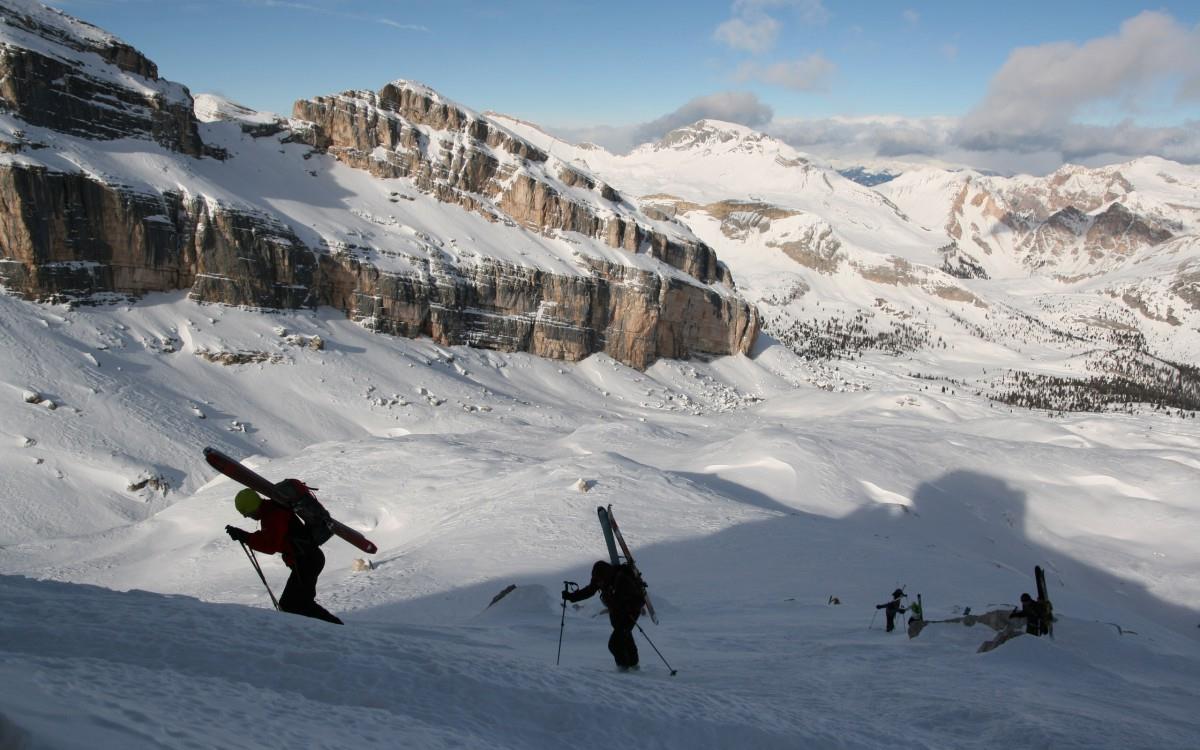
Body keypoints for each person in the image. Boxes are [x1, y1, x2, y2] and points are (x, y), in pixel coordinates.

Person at [225, 488, 343, 625]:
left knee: (291, 604)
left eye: (248, 514)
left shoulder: (273, 514)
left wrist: (245, 536)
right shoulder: (271, 510)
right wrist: (244, 536)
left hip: (306, 560)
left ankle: (336, 629)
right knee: (299, 603)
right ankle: (329, 629)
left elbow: (270, 545)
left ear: (253, 508)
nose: (248, 517)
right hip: (307, 559)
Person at [563, 560, 646, 670]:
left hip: (630, 613)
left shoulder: (622, 580)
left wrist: (625, 608)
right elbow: (589, 590)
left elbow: (637, 600)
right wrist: (571, 597)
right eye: (597, 581)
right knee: (625, 638)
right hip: (616, 613)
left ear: (606, 576)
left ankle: (623, 670)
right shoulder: (599, 578)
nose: (599, 584)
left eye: (600, 581)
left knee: (614, 644)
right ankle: (634, 666)